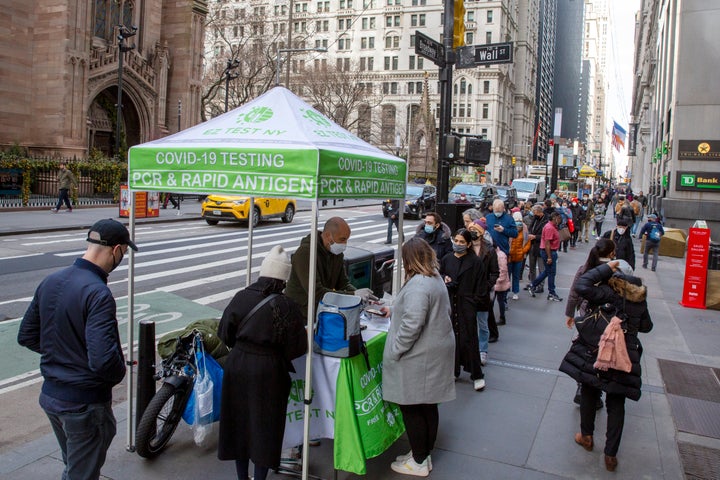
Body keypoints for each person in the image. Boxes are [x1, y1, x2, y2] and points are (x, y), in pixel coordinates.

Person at [17, 218, 136, 480]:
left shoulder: (51, 280)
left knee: (74, 466)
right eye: (124, 254)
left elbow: (26, 336)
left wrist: (62, 353)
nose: (121, 259)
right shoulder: (98, 293)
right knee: (81, 473)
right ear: (116, 250)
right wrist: (119, 372)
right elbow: (104, 361)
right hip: (84, 403)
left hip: (52, 396)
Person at [217, 246, 308, 480]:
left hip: (237, 364)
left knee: (239, 424)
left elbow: (224, 332)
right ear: (284, 279)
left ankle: (241, 477)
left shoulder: (241, 296)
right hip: (270, 370)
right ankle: (259, 477)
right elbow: (298, 348)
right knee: (265, 428)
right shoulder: (287, 306)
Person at [560, 261, 653, 472]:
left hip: (597, 350)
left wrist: (605, 267)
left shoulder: (608, 292)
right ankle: (610, 456)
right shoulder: (639, 298)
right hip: (624, 356)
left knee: (590, 391)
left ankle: (586, 436)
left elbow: (582, 284)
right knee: (616, 402)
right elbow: (647, 326)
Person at [383, 237, 456, 477]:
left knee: (412, 406)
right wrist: (394, 308)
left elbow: (412, 324)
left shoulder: (419, 285)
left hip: (420, 355)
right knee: (427, 404)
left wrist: (395, 350)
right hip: (435, 350)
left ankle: (419, 460)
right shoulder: (433, 278)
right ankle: (422, 454)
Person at [286, 217, 375, 318]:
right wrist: (354, 295)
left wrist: (362, 296)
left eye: (346, 239)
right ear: (328, 235)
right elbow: (316, 292)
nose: (344, 244)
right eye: (342, 239)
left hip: (321, 311)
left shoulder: (336, 254)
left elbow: (343, 283)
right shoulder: (305, 253)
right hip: (299, 313)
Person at [564, 238, 617, 409]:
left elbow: (574, 292)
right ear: (611, 253)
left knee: (585, 349)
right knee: (602, 351)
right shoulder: (614, 272)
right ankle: (595, 389)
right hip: (606, 318)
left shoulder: (585, 268)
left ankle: (582, 386)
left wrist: (570, 314)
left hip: (586, 315)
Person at [439, 229, 486, 391]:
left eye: (461, 242)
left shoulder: (475, 262)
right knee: (451, 339)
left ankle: (476, 374)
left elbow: (481, 285)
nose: (458, 244)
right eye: (456, 241)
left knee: (470, 338)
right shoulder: (447, 259)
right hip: (451, 303)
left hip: (467, 304)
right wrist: (445, 280)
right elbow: (440, 275)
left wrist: (474, 301)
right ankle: (453, 370)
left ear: (468, 244)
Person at [468, 219, 499, 359]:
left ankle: (482, 350)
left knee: (482, 323)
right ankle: (470, 349)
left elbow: (494, 272)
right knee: (468, 323)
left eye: (474, 231)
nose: (472, 233)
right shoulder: (465, 247)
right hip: (467, 291)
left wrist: (486, 286)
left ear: (481, 233)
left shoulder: (489, 250)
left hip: (482, 293)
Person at [528, 211, 563, 301]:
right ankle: (551, 292)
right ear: (555, 218)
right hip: (549, 252)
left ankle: (533, 285)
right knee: (551, 273)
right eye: (558, 218)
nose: (560, 220)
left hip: (549, 251)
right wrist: (549, 257)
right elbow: (547, 243)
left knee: (548, 272)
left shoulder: (551, 226)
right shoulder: (549, 228)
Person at [508, 211, 531, 300]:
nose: (518, 222)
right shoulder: (509, 227)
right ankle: (506, 292)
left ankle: (515, 292)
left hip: (519, 257)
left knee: (516, 276)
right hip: (509, 256)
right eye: (516, 220)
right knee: (507, 275)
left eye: (519, 220)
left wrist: (522, 251)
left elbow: (527, 242)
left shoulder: (525, 229)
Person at [524, 204, 546, 293]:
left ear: (539, 212)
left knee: (541, 268)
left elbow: (545, 236)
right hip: (532, 245)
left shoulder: (545, 221)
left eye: (535, 213)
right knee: (532, 266)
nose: (533, 214)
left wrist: (535, 237)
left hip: (540, 246)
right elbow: (530, 229)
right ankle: (532, 283)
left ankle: (540, 286)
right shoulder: (535, 219)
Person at [493, 245, 510, 325]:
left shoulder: (500, 255)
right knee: (499, 300)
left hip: (499, 283)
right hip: (498, 283)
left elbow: (503, 270)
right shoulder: (499, 254)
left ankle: (502, 318)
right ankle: (501, 317)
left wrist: (497, 280)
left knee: (499, 301)